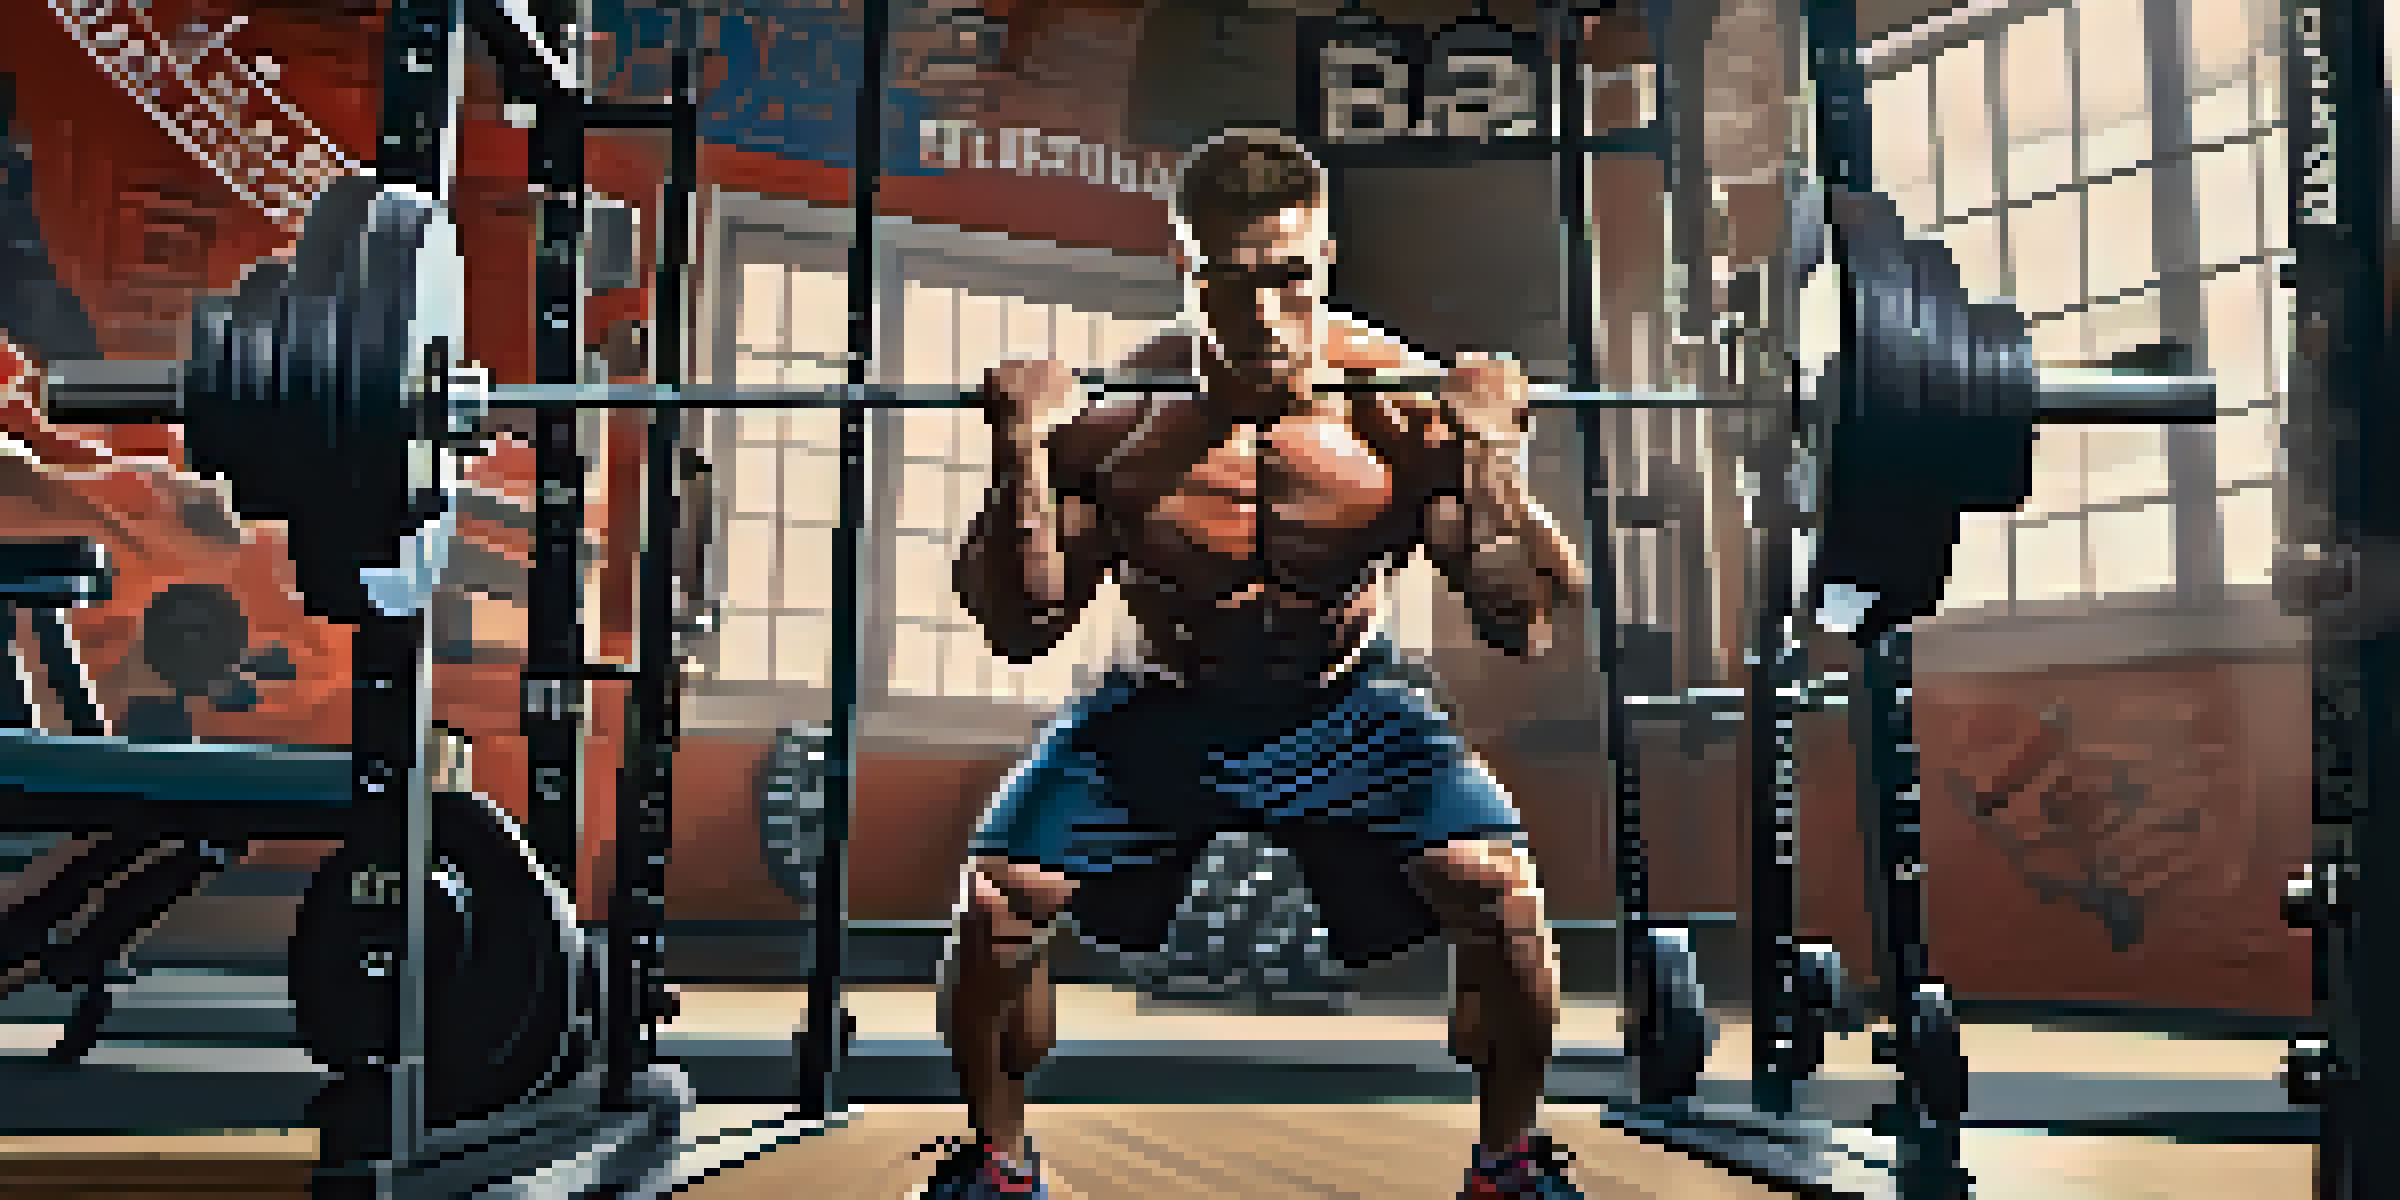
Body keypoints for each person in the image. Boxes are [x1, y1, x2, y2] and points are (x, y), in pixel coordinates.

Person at [926, 126, 1591, 1200]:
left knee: (1500, 894)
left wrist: (1492, 456)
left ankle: (1506, 1159)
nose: (1263, 317)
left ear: (1324, 260)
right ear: (1189, 267)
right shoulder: (1124, 421)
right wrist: (1021, 458)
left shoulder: (1400, 410)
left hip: (1349, 704)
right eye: (1231, 283)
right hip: (1166, 706)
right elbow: (1021, 626)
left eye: (1287, 278)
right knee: (1001, 903)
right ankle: (998, 1162)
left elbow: (1525, 622)